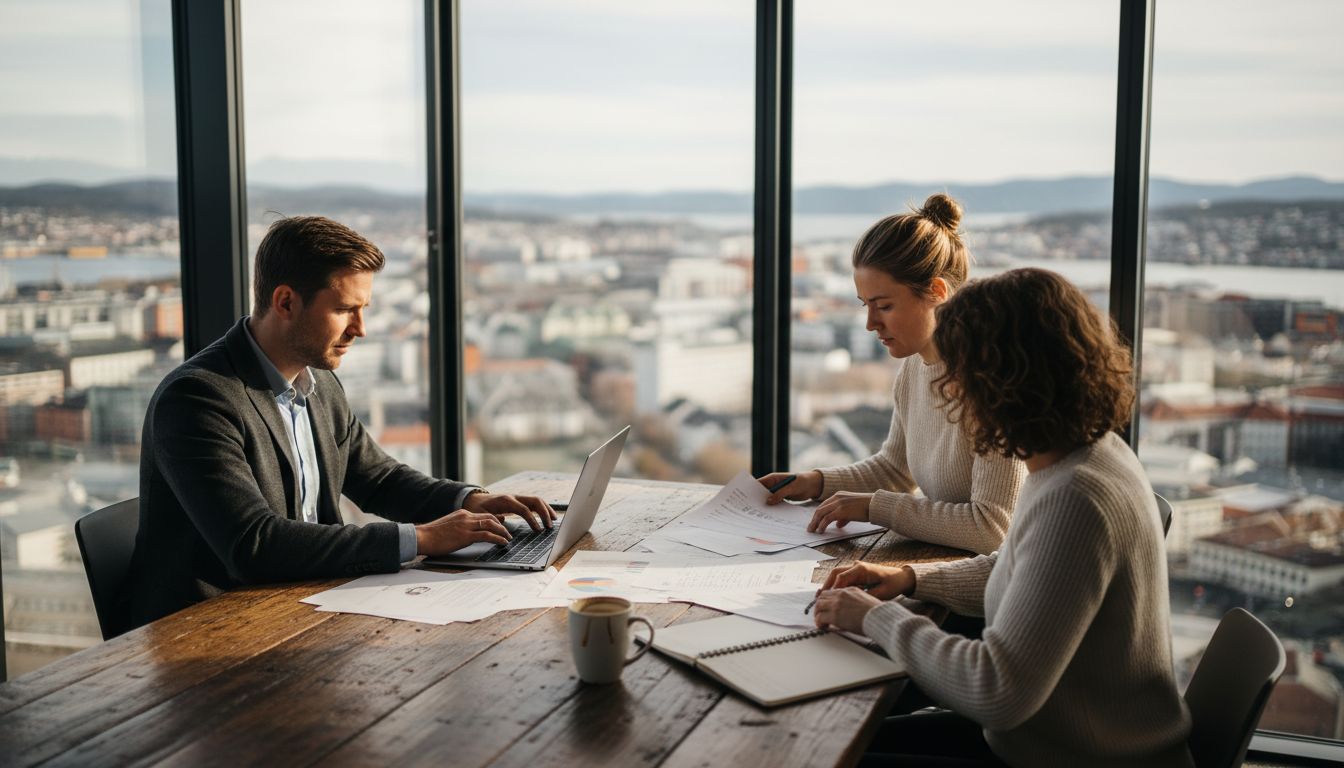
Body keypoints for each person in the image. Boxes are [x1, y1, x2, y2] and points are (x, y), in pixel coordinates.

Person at [812, 268, 1194, 767]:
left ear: (1003, 382)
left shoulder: (1076, 499)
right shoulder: (1084, 456)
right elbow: (1019, 571)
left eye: (957, 376)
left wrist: (876, 617)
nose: (949, 393)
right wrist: (908, 578)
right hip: (1057, 740)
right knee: (845, 741)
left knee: (825, 752)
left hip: (1076, 756)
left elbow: (995, 689)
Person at [122, 215, 554, 632]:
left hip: (299, 603)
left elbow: (377, 478)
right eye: (346, 309)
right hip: (211, 631)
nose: (360, 329)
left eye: (363, 309)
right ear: (286, 302)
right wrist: (421, 538)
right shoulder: (198, 398)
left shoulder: (319, 381)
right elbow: (254, 545)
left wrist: (467, 500)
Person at [759, 193, 1024, 555]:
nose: (870, 324)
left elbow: (992, 528)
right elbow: (894, 470)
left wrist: (874, 507)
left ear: (937, 292)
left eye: (883, 305)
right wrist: (814, 482)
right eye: (865, 305)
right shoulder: (915, 368)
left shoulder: (992, 382)